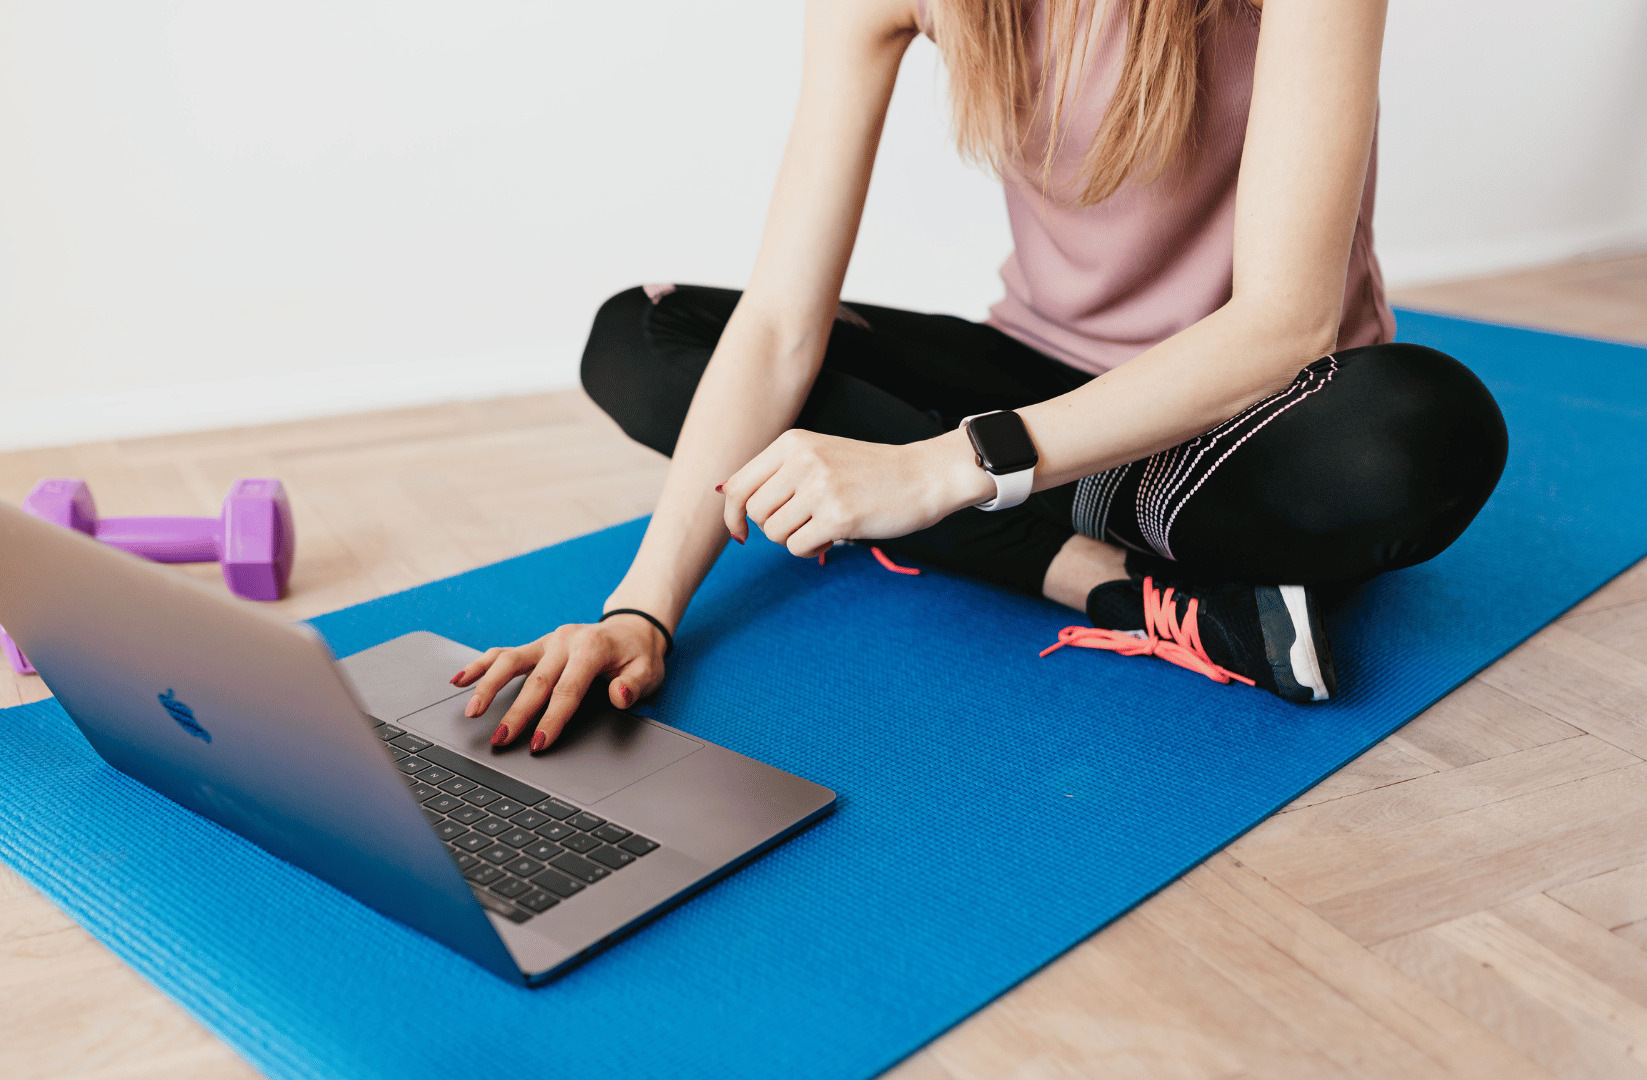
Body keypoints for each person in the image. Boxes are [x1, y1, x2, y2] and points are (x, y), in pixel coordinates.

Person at [452, 0, 1507, 749]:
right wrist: (641, 610)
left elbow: (1285, 322)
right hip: (1039, 380)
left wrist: (941, 469)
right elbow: (778, 324)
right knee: (640, 338)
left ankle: (1033, 514)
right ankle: (1105, 576)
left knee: (1420, 429)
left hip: (1254, 415)